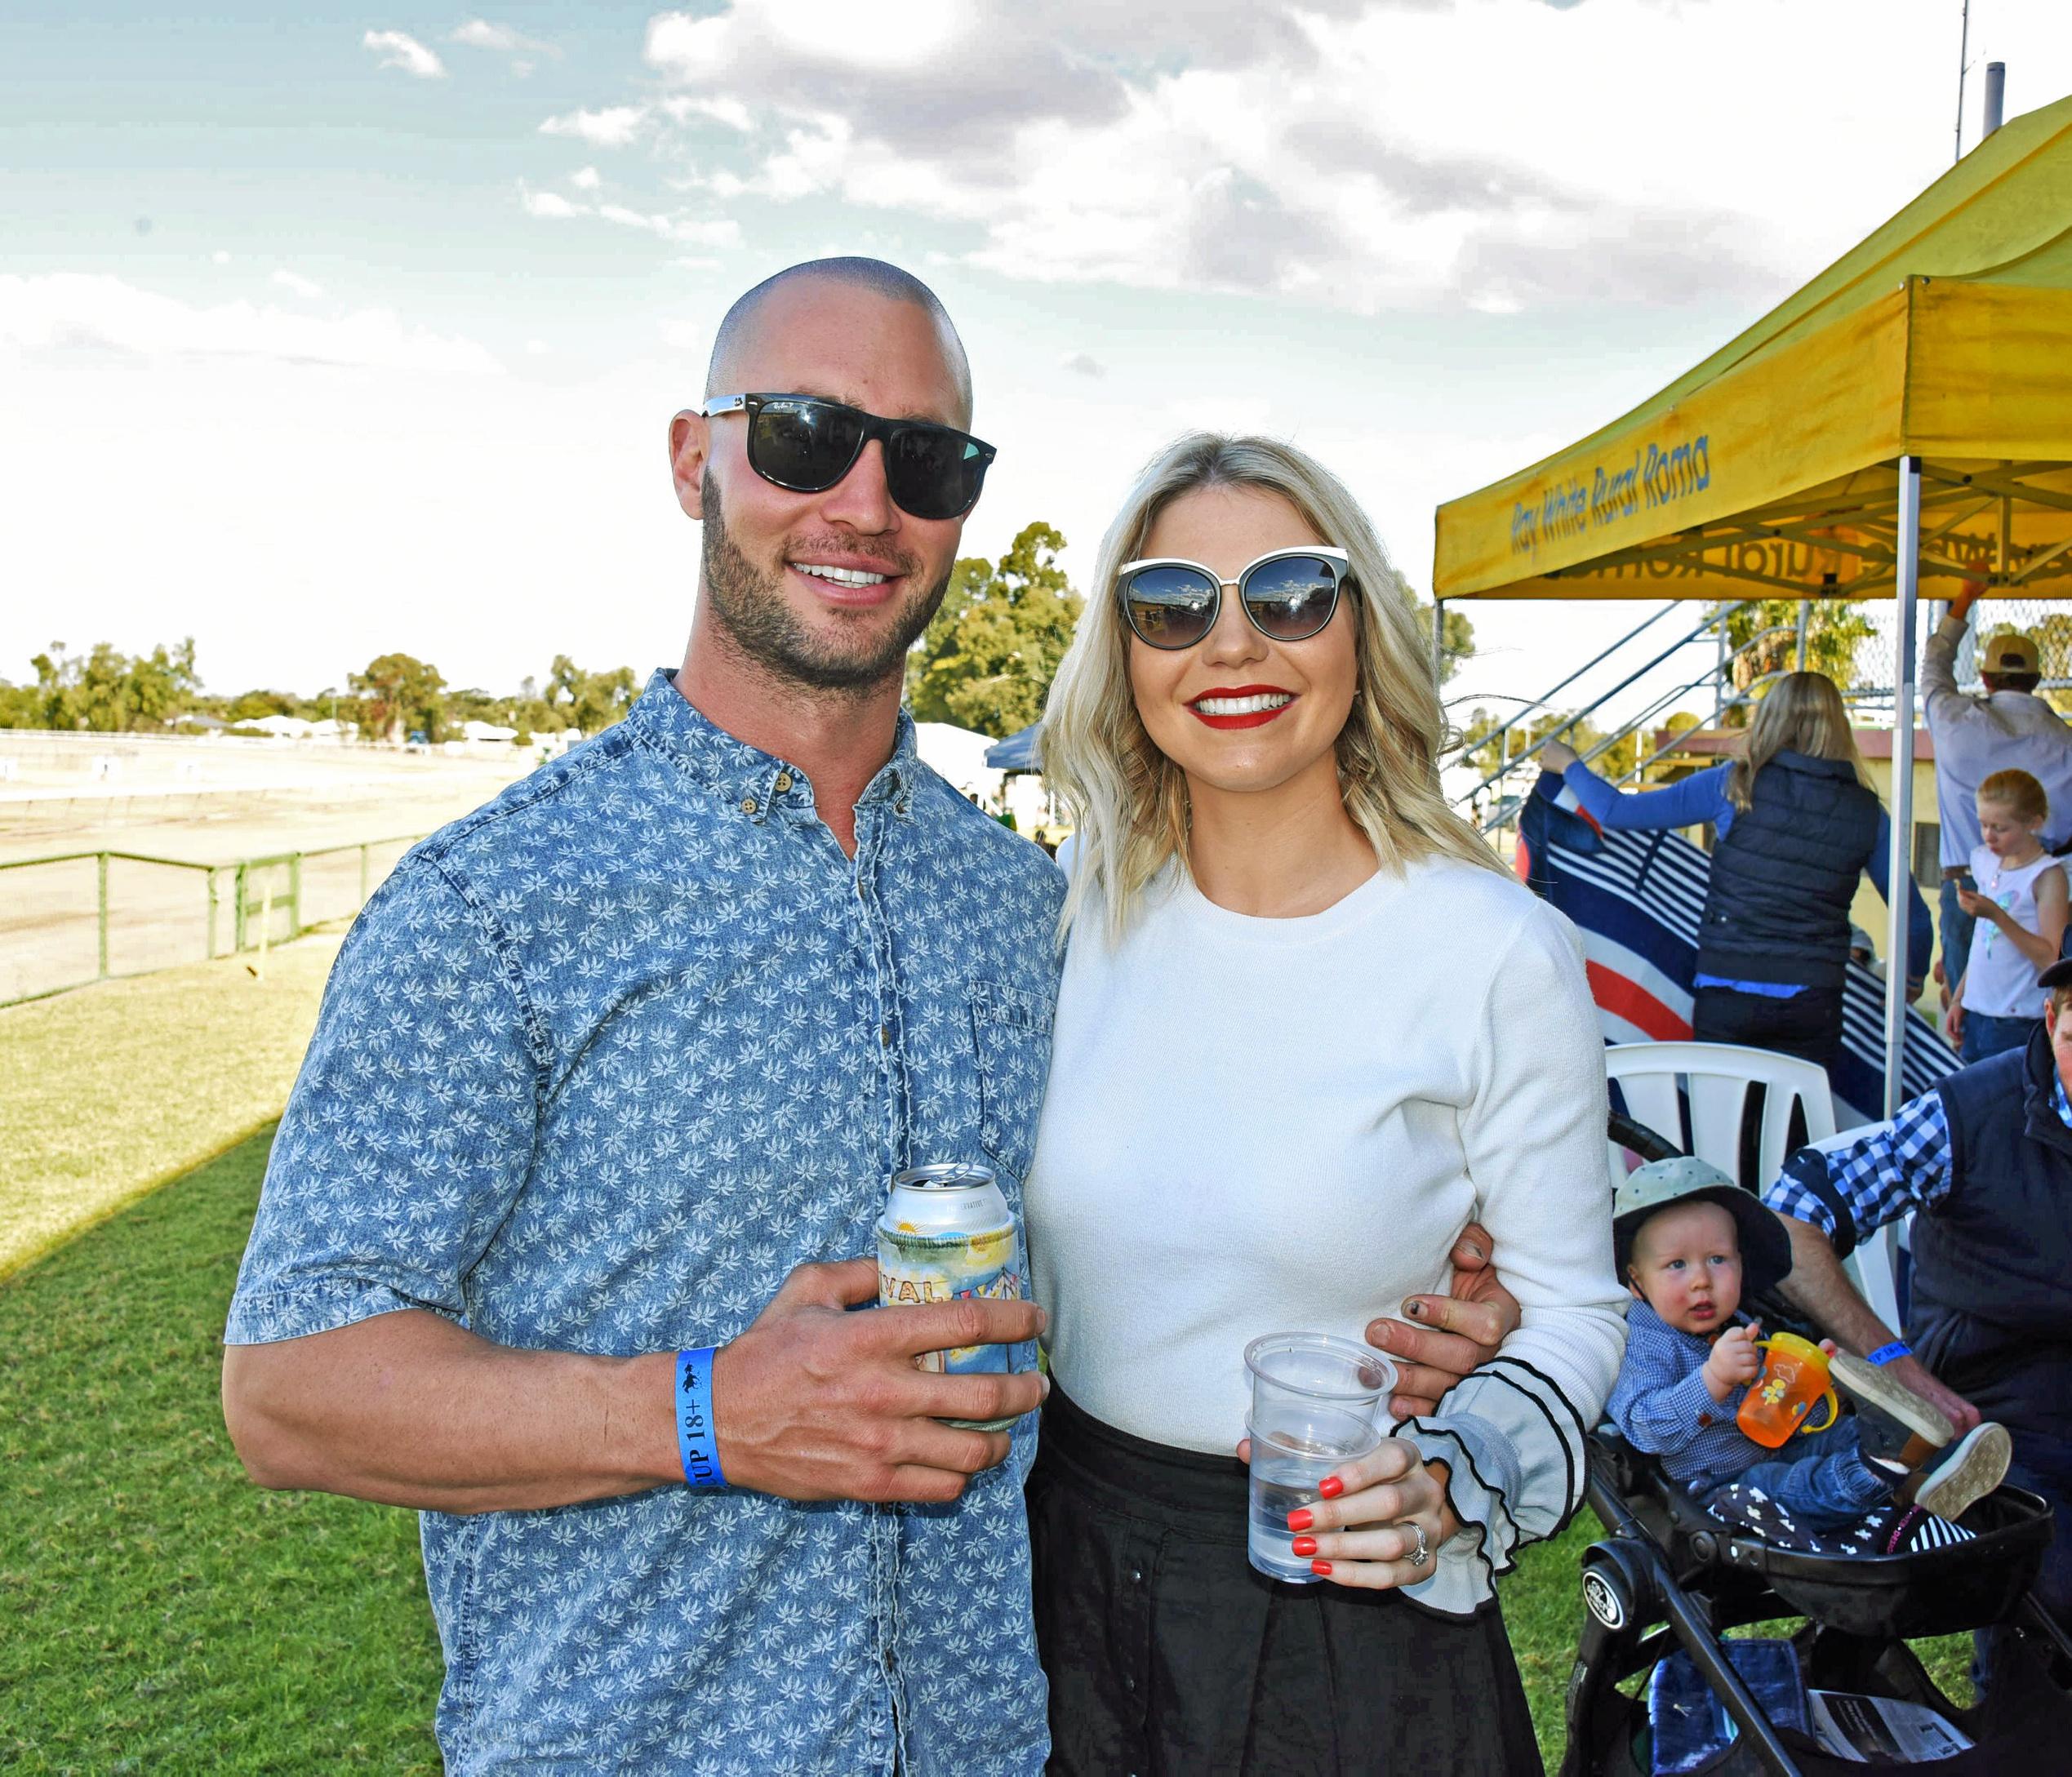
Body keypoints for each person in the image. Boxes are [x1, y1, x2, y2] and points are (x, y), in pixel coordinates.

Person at [218, 258, 1062, 1775]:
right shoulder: (497, 902)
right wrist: (701, 1414)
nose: (866, 503)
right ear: (695, 458)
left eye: (925, 459)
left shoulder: (1025, 909)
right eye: (806, 435)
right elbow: (291, 1387)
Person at [1026, 433, 1628, 1775]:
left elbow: (1575, 1305)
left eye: (1291, 592)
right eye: (1172, 602)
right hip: (1064, 1577)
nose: (1229, 643)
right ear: (1124, 654)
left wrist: (1452, 1475)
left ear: (1362, 635)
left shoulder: (1491, 949)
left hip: (1348, 1609)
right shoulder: (1067, 916)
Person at [1762, 954, 2072, 1650]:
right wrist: (1893, 1359)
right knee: (2057, 1594)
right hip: (2002, 1419)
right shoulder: (1968, 1114)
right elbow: (1789, 1217)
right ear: (2052, 1020)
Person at [1539, 671, 1932, 1070]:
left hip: (1727, 993)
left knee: (1723, 1127)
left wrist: (1570, 765)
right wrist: (1912, 981)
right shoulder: (1866, 812)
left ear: (1770, 719)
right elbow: (1914, 918)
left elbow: (1615, 812)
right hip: (1812, 1000)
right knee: (1797, 1130)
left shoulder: (1734, 785)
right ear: (1838, 726)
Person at [1608, 1157, 2008, 1536]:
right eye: (1677, 1265)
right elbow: (1645, 1428)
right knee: (1777, 1486)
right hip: (1718, 1490)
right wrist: (1712, 1379)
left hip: (1782, 1448)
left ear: (1741, 1264)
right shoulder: (1641, 1343)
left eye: (1717, 1259)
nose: (1701, 1280)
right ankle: (1882, 1472)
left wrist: (1817, 1384)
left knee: (1845, 1435)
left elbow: (1784, 1410)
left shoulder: (1743, 1326)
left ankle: (1920, 1476)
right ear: (1635, 1281)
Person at [1923, 584, 2072, 994]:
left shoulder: (1952, 718)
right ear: (2038, 679)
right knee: (2042, 1009)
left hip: (1967, 887)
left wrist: (1964, 602)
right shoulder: (2066, 740)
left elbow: (1934, 666)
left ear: (1985, 678)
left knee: (1965, 1010)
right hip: (2044, 886)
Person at [1949, 768, 2069, 1062]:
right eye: (1983, 825)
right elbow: (1982, 942)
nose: (1989, 836)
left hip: (2016, 1020)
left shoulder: (2047, 875)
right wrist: (1959, 998)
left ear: (2034, 823)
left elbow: (2053, 958)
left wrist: (1998, 916)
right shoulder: (1987, 863)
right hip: (1977, 1011)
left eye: (2000, 828)